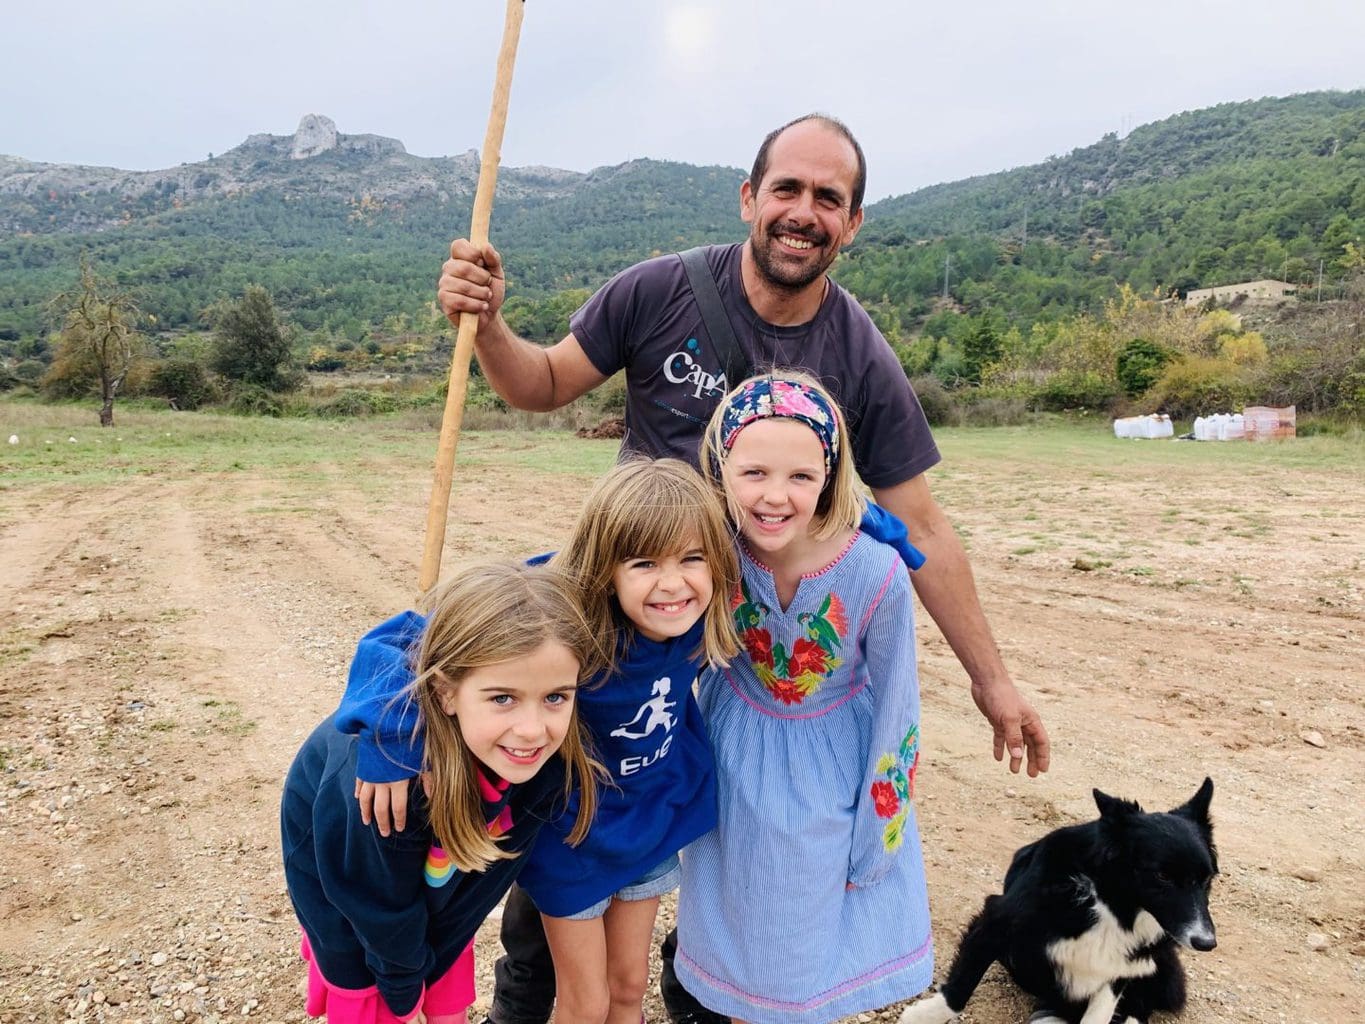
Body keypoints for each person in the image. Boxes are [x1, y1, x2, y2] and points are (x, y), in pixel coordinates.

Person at [436, 113, 1049, 1024]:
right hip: (623, 637)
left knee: (732, 865)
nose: (803, 212)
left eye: (828, 199)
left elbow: (920, 519)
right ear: (749, 198)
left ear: (853, 223)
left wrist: (992, 682)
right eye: (787, 190)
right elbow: (540, 383)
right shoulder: (656, 291)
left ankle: (704, 1000)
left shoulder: (857, 351)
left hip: (742, 664)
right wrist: (486, 327)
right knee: (564, 862)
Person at [345, 459, 742, 1024]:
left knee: (629, 990)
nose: (673, 583)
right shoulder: (563, 603)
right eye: (645, 562)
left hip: (651, 830)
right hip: (570, 838)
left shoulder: (698, 614)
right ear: (604, 565)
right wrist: (391, 741)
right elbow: (396, 641)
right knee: (586, 1002)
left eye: (692, 559)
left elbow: (792, 549)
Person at [675, 371, 933, 1022]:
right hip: (734, 769)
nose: (774, 497)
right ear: (721, 466)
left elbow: (899, 708)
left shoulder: (876, 570)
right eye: (753, 473)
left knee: (806, 948)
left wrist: (882, 828)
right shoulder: (708, 551)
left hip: (833, 778)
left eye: (799, 476)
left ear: (829, 473)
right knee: (744, 938)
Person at [280, 561, 603, 1024]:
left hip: (441, 894)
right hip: (350, 902)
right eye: (502, 698)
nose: (533, 731)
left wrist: (434, 958)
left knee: (443, 986)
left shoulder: (547, 773)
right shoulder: (390, 782)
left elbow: (479, 893)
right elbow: (373, 906)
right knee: (375, 990)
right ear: (446, 693)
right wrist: (404, 990)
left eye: (556, 697)